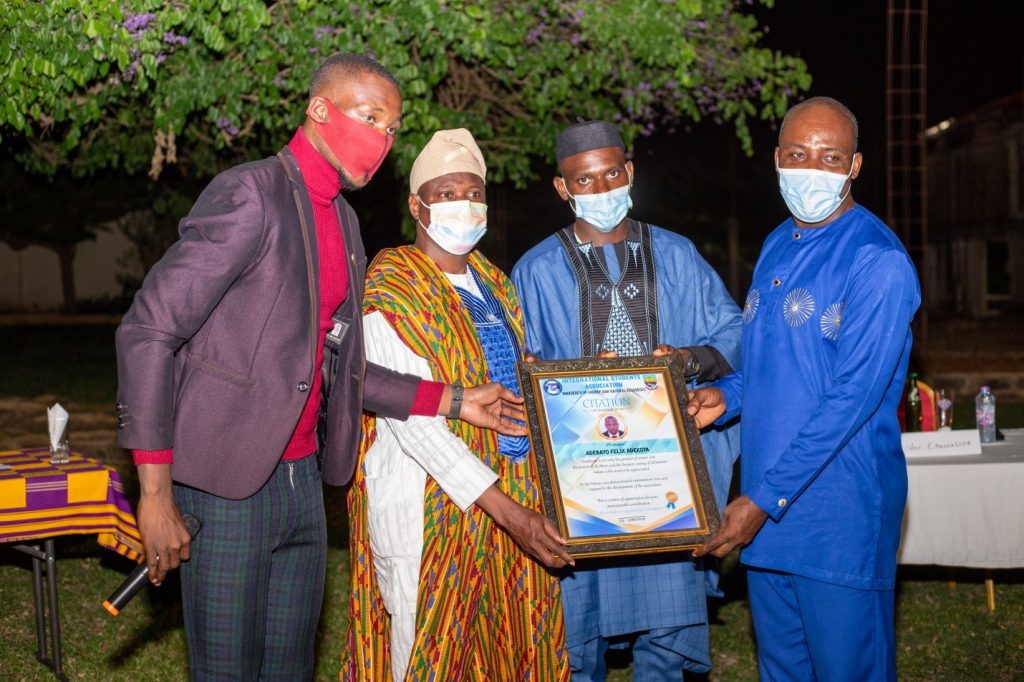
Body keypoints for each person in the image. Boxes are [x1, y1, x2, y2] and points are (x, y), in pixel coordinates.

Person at [114, 54, 526, 680]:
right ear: (319, 111)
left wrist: (453, 399)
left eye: (392, 128)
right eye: (371, 117)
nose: (383, 139)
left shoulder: (343, 219)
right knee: (227, 668)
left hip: (302, 481)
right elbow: (148, 330)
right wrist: (154, 491)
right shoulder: (251, 192)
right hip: (226, 484)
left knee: (289, 666)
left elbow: (340, 362)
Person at [688, 96, 921, 681]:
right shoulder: (776, 244)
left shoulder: (877, 262)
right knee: (783, 669)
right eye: (798, 154)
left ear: (855, 166)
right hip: (770, 513)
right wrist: (729, 398)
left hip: (837, 515)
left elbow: (851, 399)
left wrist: (760, 502)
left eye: (830, 156)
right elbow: (774, 365)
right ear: (776, 159)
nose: (812, 169)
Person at [512, 120, 742, 681]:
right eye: (583, 180)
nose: (600, 188)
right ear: (562, 188)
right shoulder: (535, 270)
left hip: (666, 485)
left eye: (611, 173)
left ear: (630, 172)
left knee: (667, 638)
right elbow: (517, 368)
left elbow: (737, 335)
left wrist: (688, 359)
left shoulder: (679, 254)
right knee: (576, 638)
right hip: (583, 486)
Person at [342, 128, 571, 681]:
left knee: (511, 647)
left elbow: (517, 382)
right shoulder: (390, 283)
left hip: (513, 486)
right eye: (446, 193)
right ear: (416, 204)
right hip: (431, 503)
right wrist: (509, 513)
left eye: (473, 193)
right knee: (429, 652)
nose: (462, 205)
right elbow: (410, 422)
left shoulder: (494, 283)